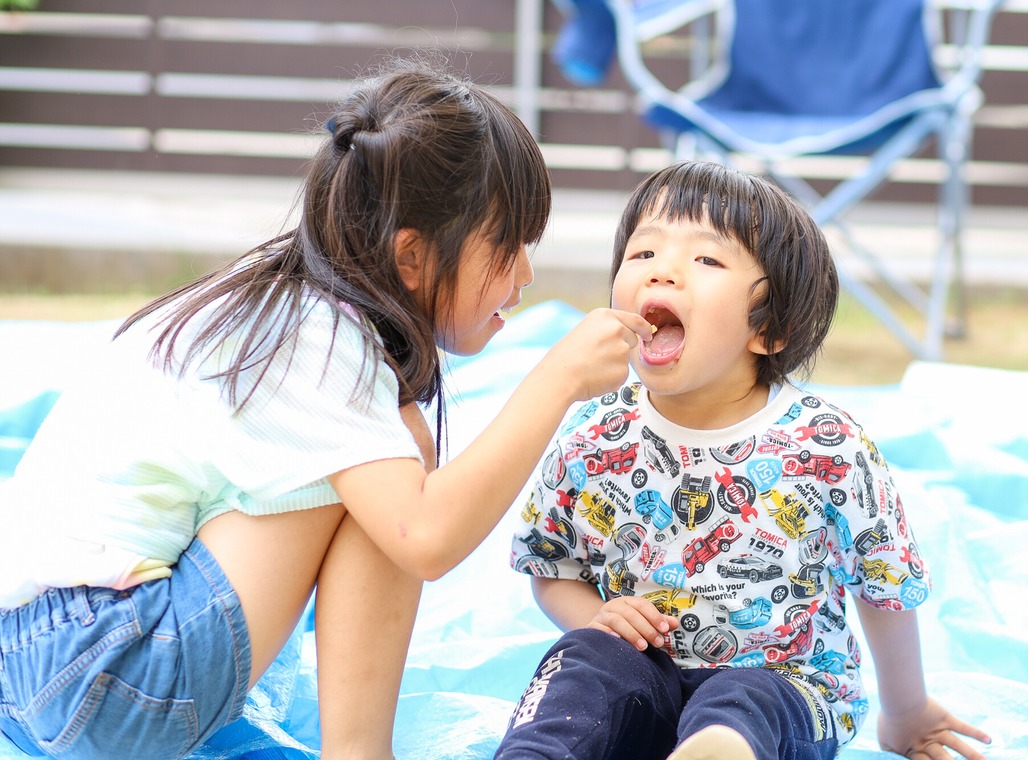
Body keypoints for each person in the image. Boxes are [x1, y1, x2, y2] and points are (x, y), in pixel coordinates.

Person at [0, 57, 652, 760]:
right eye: (507, 247)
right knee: (397, 482)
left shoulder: (279, 298)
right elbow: (425, 537)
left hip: (33, 657)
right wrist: (555, 379)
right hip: (110, 675)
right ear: (411, 257)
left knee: (388, 460)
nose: (525, 274)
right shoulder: (322, 340)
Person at [496, 161, 992, 760]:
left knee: (742, 703)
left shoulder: (826, 448)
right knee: (582, 664)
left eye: (706, 260)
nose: (664, 272)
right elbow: (552, 566)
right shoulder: (593, 430)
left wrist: (907, 711)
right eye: (643, 252)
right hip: (642, 677)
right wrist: (599, 616)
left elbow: (884, 584)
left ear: (770, 328)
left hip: (783, 686)